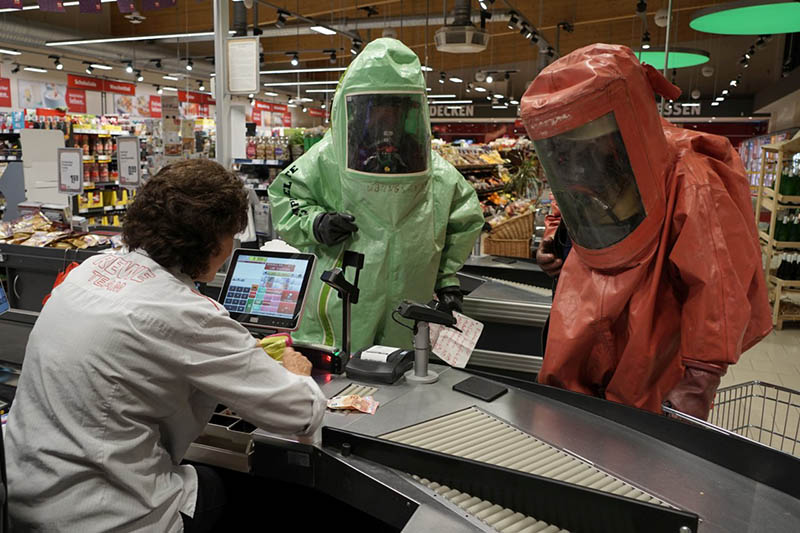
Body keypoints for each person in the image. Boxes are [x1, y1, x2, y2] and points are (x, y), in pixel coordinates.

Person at [5, 159, 327, 532]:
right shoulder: (187, 312)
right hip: (108, 516)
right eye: (231, 237)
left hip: (25, 497)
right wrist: (295, 370)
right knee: (252, 494)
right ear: (213, 241)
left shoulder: (89, 271)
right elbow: (300, 413)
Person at [520, 44, 772, 420]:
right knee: (566, 429)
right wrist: (551, 244)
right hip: (579, 323)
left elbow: (717, 283)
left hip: (651, 331)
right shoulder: (594, 164)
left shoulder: (692, 177)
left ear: (623, 122)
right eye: (569, 147)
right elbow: (569, 201)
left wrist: (699, 380)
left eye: (590, 140)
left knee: (634, 446)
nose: (580, 158)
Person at [269, 38, 484, 351]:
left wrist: (447, 280)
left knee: (404, 381)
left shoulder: (436, 173)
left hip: (410, 305)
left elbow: (462, 223)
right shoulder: (327, 158)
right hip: (343, 303)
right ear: (355, 108)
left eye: (394, 108)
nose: (385, 119)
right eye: (376, 108)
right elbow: (287, 197)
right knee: (337, 386)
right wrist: (317, 224)